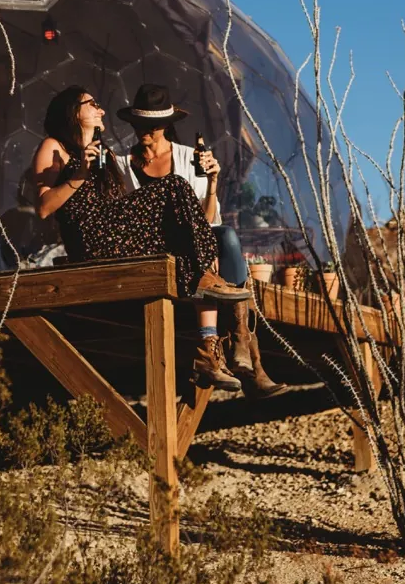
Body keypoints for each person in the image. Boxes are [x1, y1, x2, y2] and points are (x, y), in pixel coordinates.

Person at [31, 85, 250, 390]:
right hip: (89, 241)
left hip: (113, 235)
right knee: (174, 186)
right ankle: (208, 290)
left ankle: (209, 350)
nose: (101, 109)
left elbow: (116, 203)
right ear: (73, 111)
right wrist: (80, 171)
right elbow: (43, 207)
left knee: (182, 215)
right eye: (92, 104)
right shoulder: (54, 147)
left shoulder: (103, 152)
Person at [111, 84, 288, 399]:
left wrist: (212, 183)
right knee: (212, 249)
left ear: (165, 125)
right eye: (139, 124)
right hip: (153, 244)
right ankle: (246, 357)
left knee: (228, 236)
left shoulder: (187, 157)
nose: (144, 132)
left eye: (151, 126)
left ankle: (234, 346)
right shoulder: (125, 164)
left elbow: (208, 221)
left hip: (195, 236)